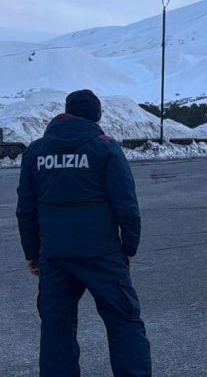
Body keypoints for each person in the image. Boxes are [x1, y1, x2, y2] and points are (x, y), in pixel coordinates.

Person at [16, 90, 152, 376]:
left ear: (67, 112)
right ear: (97, 116)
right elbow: (127, 206)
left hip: (55, 256)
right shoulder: (106, 148)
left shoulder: (36, 151)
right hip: (102, 254)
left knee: (56, 328)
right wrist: (129, 248)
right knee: (124, 322)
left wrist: (33, 253)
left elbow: (25, 210)